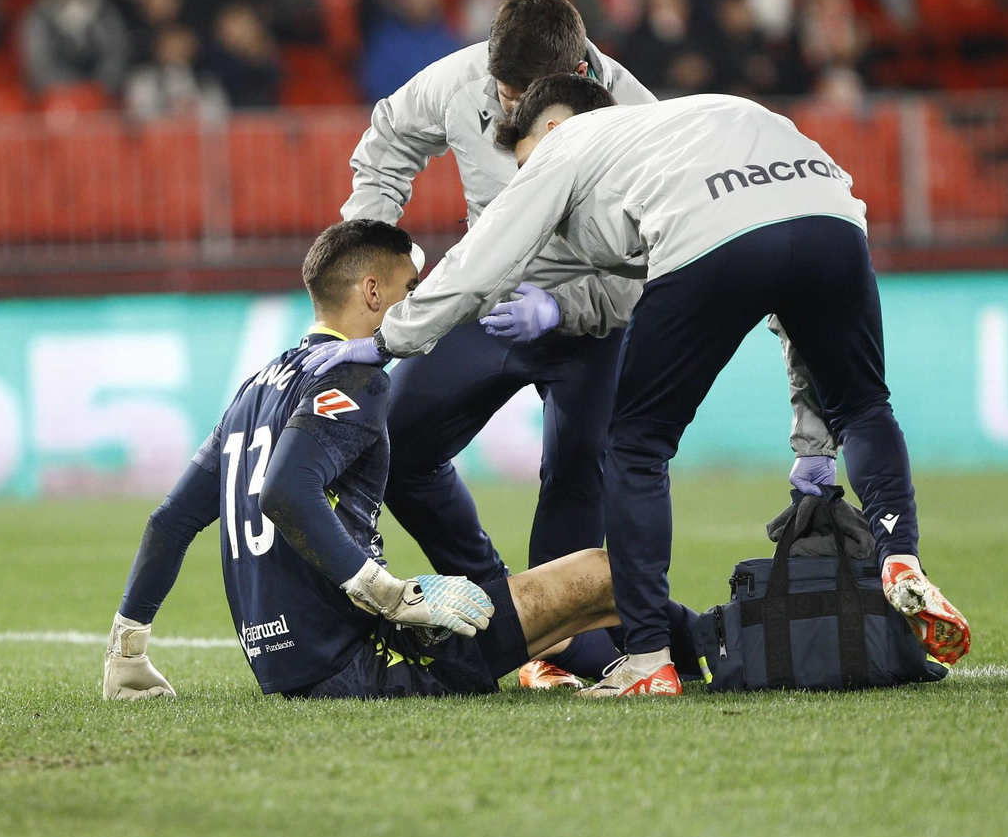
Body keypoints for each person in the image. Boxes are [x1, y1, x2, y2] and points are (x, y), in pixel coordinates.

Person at [304, 74, 972, 696]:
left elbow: (480, 264)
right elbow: (791, 297)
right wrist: (814, 447)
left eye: (524, 159)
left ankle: (649, 659)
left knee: (636, 445)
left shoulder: (567, 145)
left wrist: (386, 341)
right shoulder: (698, 120)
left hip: (713, 233)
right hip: (831, 213)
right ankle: (901, 559)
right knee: (865, 407)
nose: (524, 176)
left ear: (552, 128)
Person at [101, 219, 704, 701]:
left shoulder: (254, 387)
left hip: (286, 663)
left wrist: (128, 647)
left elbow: (170, 522)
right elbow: (284, 491)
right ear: (372, 293)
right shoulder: (358, 378)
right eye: (411, 292)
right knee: (604, 571)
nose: (422, 307)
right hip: (367, 659)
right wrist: (390, 594)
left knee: (552, 611)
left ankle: (695, 649)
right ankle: (722, 643)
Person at [339, 0, 666, 689]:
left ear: (575, 74)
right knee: (396, 448)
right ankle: (506, 611)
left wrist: (566, 307)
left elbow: (658, 262)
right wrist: (369, 250)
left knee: (578, 469)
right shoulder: (460, 80)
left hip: (590, 318)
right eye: (501, 90)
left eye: (522, 98)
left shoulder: (639, 118)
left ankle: (555, 643)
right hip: (481, 303)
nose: (505, 106)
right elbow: (387, 141)